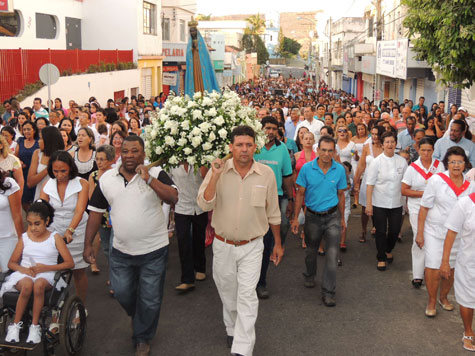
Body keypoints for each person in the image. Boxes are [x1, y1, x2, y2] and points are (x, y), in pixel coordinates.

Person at [84, 135, 178, 356]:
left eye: (134, 151)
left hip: (154, 251)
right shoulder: (107, 179)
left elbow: (173, 197)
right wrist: (88, 243)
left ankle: (142, 337)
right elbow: (95, 214)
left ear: (143, 154)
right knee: (123, 293)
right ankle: (140, 316)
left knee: (151, 299)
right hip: (121, 252)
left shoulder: (156, 174)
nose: (129, 156)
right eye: (125, 151)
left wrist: (149, 180)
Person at [197, 125, 283, 356]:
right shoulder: (218, 170)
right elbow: (204, 204)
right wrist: (214, 176)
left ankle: (243, 348)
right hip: (223, 244)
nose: (244, 149)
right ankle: (231, 328)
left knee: (247, 295)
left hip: (253, 245)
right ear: (231, 147)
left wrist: (277, 243)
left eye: (248, 145)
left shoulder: (266, 174)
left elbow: (273, 212)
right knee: (228, 291)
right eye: (239, 145)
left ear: (255, 147)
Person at [1, 200, 74, 344]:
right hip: (25, 273)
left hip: (47, 274)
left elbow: (69, 263)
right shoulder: (25, 238)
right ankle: (15, 325)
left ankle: (35, 327)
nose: (33, 228)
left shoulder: (55, 238)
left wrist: (45, 268)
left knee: (39, 285)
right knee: (28, 285)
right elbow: (12, 263)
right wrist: (24, 270)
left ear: (46, 221)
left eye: (37, 224)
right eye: (30, 223)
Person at [416, 146, 474, 317]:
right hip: (435, 231)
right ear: (446, 164)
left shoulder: (470, 185)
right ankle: (432, 300)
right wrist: (420, 232)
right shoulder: (436, 180)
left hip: (458, 236)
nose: (456, 165)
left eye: (460, 162)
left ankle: (443, 297)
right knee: (434, 267)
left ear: (465, 164)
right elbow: (424, 207)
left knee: (451, 268)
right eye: (452, 162)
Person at [292, 135, 346, 306]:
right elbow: (300, 193)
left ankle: (328, 292)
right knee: (311, 250)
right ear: (317, 150)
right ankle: (309, 274)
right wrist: (295, 218)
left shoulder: (339, 170)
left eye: (330, 151)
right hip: (312, 216)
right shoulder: (307, 169)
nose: (326, 154)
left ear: (334, 152)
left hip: (332, 217)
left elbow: (341, 195)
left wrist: (342, 218)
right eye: (323, 150)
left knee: (332, 254)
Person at [39, 151, 89, 306]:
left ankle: (80, 306)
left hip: (77, 232)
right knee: (55, 272)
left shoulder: (82, 183)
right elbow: (42, 208)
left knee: (78, 271)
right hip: (54, 232)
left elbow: (80, 210)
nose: (59, 175)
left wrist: (70, 230)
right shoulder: (48, 184)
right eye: (55, 171)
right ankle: (58, 308)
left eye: (63, 171)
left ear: (70, 168)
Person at [254, 116, 293, 299]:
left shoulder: (283, 149)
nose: (270, 132)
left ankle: (261, 281)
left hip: (273, 200)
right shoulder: (254, 147)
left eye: (273, 128)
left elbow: (286, 176)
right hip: (252, 199)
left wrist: (291, 199)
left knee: (266, 242)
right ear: (260, 128)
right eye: (266, 128)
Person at [401, 137, 443, 288]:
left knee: (435, 237)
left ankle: (432, 268)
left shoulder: (439, 165)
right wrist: (424, 194)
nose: (425, 153)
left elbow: (444, 185)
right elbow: (404, 189)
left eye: (429, 150)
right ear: (418, 150)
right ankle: (418, 274)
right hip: (416, 207)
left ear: (433, 150)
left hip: (436, 207)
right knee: (419, 237)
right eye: (423, 150)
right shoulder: (412, 167)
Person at [366, 132, 408, 271]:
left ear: (396, 144)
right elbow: (370, 184)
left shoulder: (402, 161)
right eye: (387, 142)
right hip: (379, 202)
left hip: (396, 202)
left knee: (395, 230)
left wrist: (406, 202)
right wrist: (369, 204)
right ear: (382, 144)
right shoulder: (376, 162)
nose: (390, 144)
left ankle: (388, 249)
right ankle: (381, 257)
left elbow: (406, 183)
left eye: (392, 142)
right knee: (380, 231)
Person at [440, 192, 475, 351]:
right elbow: (451, 232)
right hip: (469, 262)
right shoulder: (465, 204)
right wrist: (445, 262)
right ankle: (468, 332)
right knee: (468, 298)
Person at [168, 162, 208, 292]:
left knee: (199, 238)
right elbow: (168, 183)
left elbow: (207, 177)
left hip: (200, 207)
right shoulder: (172, 164)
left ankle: (200, 268)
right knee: (183, 241)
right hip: (181, 207)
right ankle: (187, 278)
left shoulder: (200, 160)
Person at [353, 126, 384, 242]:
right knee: (365, 208)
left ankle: (377, 228)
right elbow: (361, 165)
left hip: (381, 182)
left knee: (379, 208)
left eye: (377, 134)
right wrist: (356, 183)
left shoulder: (385, 147)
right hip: (367, 181)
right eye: (373, 134)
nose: (374, 137)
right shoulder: (367, 147)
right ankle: (363, 229)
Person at [27, 126, 64, 201]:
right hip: (40, 197)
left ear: (48, 140)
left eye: (41, 138)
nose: (38, 141)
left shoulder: (63, 156)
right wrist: (48, 168)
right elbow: (30, 183)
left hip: (57, 199)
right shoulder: (37, 153)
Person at [294, 132, 317, 248]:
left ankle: (305, 234)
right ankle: (301, 228)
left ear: (314, 141)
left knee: (309, 213)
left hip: (313, 189)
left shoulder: (317, 156)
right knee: (300, 213)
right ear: (301, 141)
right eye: (305, 138)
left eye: (310, 139)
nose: (308, 140)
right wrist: (295, 185)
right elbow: (292, 172)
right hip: (299, 189)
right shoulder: (296, 156)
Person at [0, 169, 23, 272]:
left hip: (8, 238)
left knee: (10, 278)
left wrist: (22, 241)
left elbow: (17, 216)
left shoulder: (8, 183)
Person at [15, 121, 39, 211]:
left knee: (36, 199)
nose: (26, 131)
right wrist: (19, 162)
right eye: (24, 129)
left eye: (28, 129)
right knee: (24, 200)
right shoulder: (20, 141)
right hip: (23, 174)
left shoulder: (38, 142)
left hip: (35, 173)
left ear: (34, 130)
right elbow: (15, 156)